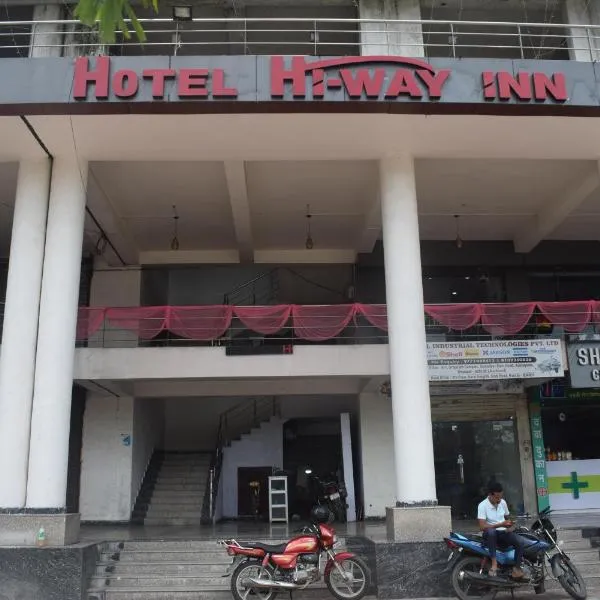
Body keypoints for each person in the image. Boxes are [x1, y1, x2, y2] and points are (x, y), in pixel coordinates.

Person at [477, 482, 525, 579]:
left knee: (520, 541)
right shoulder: (482, 505)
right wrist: (500, 524)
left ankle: (516, 568)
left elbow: (508, 517)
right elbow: (482, 527)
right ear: (490, 495)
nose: (499, 500)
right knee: (491, 532)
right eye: (497, 497)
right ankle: (494, 563)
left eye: (500, 497)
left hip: (503, 533)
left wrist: (511, 526)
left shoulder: (502, 502)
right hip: (489, 535)